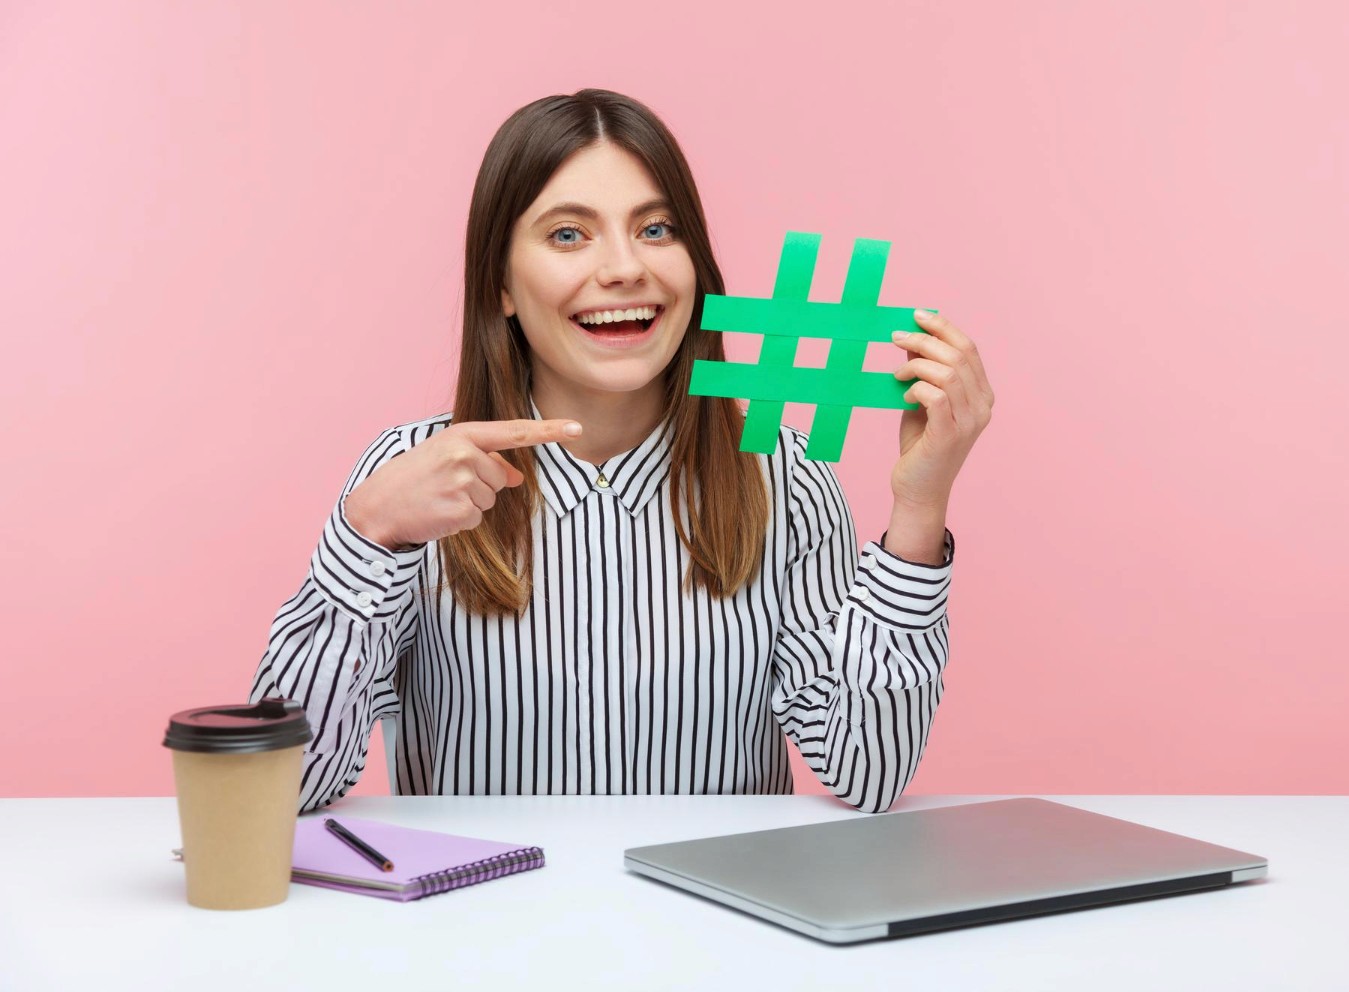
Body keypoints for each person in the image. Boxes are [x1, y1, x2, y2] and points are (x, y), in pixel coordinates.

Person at [249, 89, 993, 814]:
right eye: (568, 234)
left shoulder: (784, 476)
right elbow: (282, 786)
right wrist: (370, 536)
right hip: (479, 927)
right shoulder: (415, 476)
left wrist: (920, 507)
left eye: (657, 230)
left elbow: (870, 770)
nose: (624, 269)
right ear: (501, 285)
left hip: (714, 929)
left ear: (696, 265)